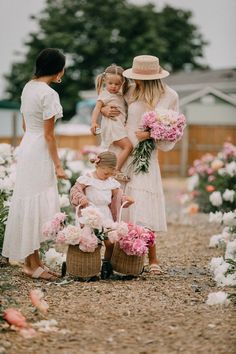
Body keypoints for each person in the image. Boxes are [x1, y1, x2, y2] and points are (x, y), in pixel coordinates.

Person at [102, 55, 179, 275]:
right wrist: (105, 111)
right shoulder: (130, 90)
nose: (137, 81)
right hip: (124, 151)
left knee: (143, 204)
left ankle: (152, 258)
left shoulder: (170, 96)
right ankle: (119, 255)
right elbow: (109, 98)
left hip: (147, 156)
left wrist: (151, 134)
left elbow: (171, 135)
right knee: (119, 203)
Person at [2, 48, 67, 280]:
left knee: (29, 202)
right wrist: (58, 165)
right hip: (39, 148)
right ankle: (32, 264)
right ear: (59, 70)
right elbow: (49, 135)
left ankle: (33, 263)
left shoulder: (28, 88)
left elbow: (25, 127)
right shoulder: (49, 94)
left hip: (28, 144)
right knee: (36, 203)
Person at [70, 151, 134, 279]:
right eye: (106, 173)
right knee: (93, 241)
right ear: (98, 166)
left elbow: (119, 197)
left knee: (110, 241)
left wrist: (127, 199)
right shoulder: (88, 178)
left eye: (111, 174)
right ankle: (92, 266)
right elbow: (75, 190)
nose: (108, 176)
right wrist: (81, 197)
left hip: (106, 214)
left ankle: (106, 265)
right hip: (91, 213)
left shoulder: (111, 182)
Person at [90, 64, 133, 182]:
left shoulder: (119, 94)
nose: (113, 86)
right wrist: (93, 122)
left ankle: (99, 159)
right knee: (128, 146)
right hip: (113, 125)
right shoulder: (104, 94)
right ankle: (116, 170)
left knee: (109, 147)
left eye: (117, 84)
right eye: (110, 83)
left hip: (118, 125)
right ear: (105, 81)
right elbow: (97, 108)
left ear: (122, 83)